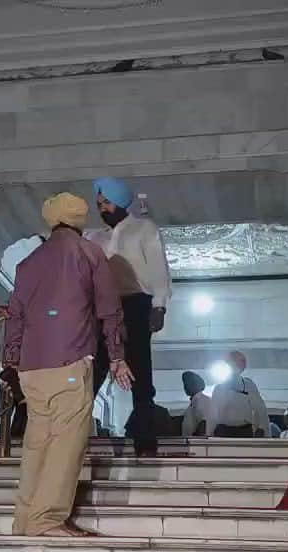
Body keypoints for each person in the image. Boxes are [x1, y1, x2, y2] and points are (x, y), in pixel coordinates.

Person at [4, 192, 133, 537]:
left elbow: (15, 314)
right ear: (79, 219)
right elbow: (109, 310)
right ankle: (46, 520)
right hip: (70, 360)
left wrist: (12, 358)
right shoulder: (89, 253)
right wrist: (117, 356)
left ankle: (24, 520)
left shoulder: (28, 262)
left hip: (31, 367)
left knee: (37, 443)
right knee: (66, 444)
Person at [91, 176, 171, 458]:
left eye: (107, 202)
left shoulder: (144, 228)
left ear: (121, 201)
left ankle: (145, 442)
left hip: (137, 304)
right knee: (95, 368)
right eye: (99, 203)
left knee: (140, 371)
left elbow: (158, 267)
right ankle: (75, 435)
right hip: (103, 309)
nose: (102, 208)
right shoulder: (95, 237)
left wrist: (159, 305)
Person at [208, 351, 269, 438]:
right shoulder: (219, 388)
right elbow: (212, 416)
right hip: (223, 432)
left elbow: (261, 410)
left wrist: (262, 430)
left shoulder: (249, 385)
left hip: (244, 432)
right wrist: (209, 435)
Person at [180, 371, 211, 437]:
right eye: (185, 384)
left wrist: (197, 440)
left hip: (197, 442)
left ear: (198, 384)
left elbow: (204, 423)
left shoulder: (202, 400)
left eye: (190, 383)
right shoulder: (192, 403)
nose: (185, 387)